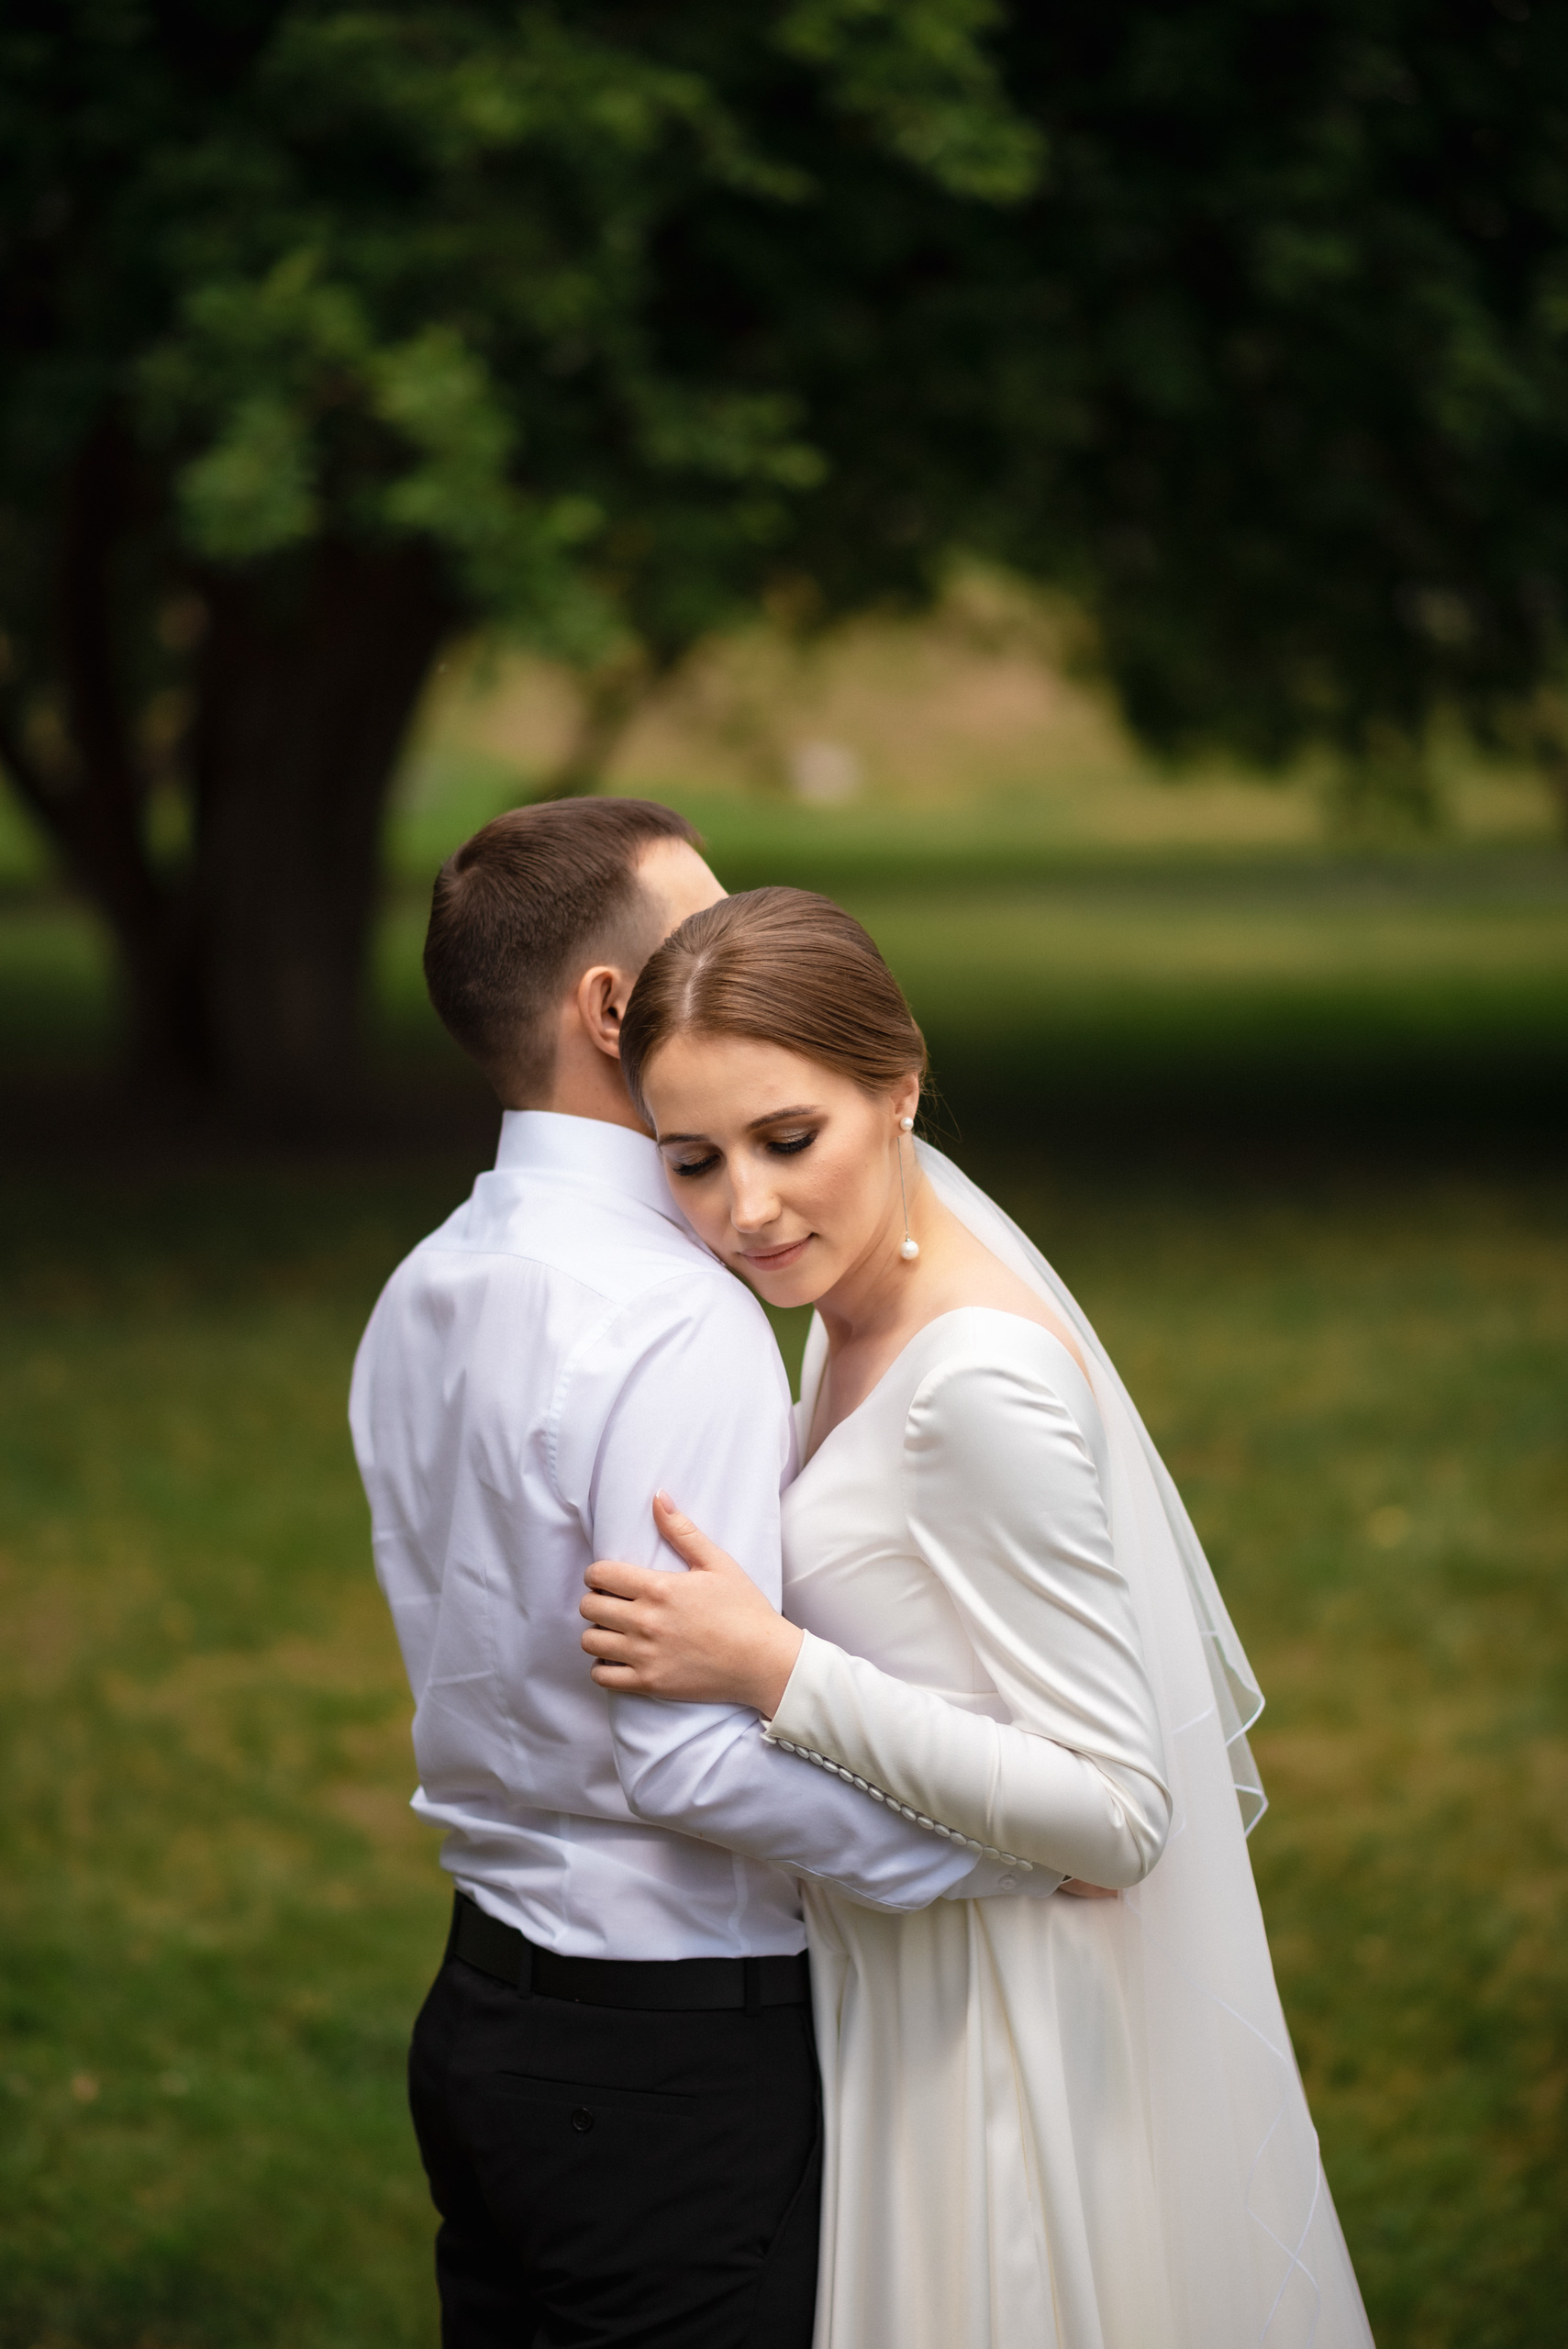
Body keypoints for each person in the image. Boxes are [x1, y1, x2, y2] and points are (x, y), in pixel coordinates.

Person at [580, 885, 1376, 2349]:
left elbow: (1120, 1814)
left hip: (1002, 2045)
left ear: (899, 1087)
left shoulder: (977, 1385)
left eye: (786, 1139)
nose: (744, 1208)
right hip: (903, 1996)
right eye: (691, 1161)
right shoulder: (843, 1308)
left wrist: (773, 1666)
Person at [349, 802, 1039, 2349]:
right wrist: (987, 1857)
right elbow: (685, 1758)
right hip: (668, 2061)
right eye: (702, 927)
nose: (739, 958)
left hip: (480, 2013)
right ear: (612, 1009)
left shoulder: (426, 1285)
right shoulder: (676, 1313)